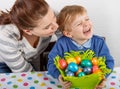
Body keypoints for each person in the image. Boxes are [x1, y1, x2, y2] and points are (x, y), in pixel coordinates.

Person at [47, 5, 114, 89]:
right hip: (72, 84)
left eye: (87, 19)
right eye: (79, 24)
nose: (86, 24)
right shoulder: (61, 43)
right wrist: (59, 76)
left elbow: (109, 62)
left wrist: (103, 77)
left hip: (93, 84)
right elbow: (51, 62)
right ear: (68, 33)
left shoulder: (99, 42)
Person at [0, 0, 59, 73]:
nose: (56, 26)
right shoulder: (6, 38)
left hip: (30, 59)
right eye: (47, 27)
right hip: (3, 63)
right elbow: (23, 71)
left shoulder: (47, 15)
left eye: (54, 17)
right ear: (28, 31)